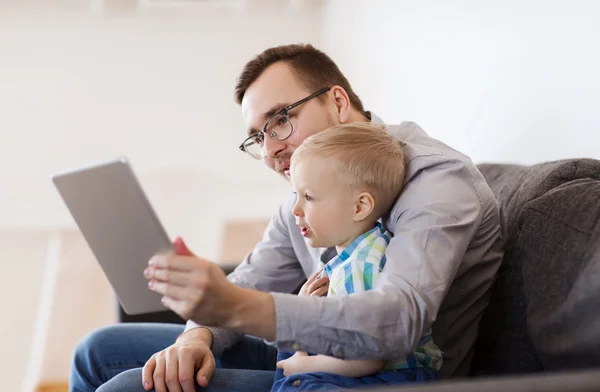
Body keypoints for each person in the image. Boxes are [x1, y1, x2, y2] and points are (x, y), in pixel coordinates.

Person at [70, 44, 503, 392]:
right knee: (97, 349)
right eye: (257, 137)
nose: (271, 147)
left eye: (281, 120)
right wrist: (196, 335)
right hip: (315, 356)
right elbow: (252, 278)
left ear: (337, 101)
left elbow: (398, 320)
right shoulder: (301, 190)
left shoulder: (434, 179)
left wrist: (239, 307)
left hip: (382, 377)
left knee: (129, 386)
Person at [271, 122, 442, 391]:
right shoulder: (361, 250)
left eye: (309, 197)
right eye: (296, 195)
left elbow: (367, 358)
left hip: (392, 379)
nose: (295, 210)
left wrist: (305, 364)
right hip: (372, 371)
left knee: (295, 383)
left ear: (360, 206)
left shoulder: (361, 264)